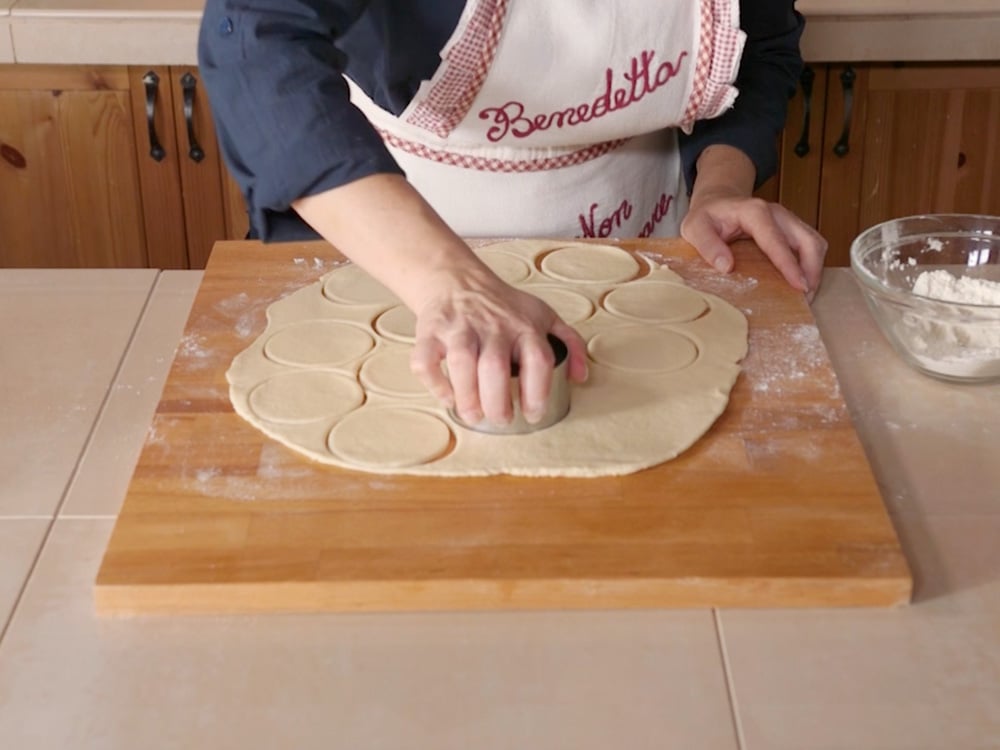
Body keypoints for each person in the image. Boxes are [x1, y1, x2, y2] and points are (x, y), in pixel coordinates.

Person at [198, 0, 827, 428]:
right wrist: (455, 284)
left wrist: (718, 185)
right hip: (389, 255)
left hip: (643, 254)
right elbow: (255, 39)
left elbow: (760, 44)